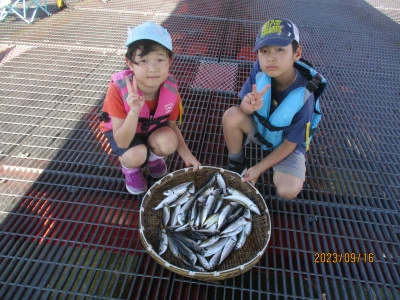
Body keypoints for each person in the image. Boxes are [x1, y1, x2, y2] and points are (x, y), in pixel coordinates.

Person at [223, 18, 326, 200]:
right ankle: (236, 163)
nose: (271, 57)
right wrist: (246, 107)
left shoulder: (304, 97)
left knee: (288, 190)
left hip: (286, 143)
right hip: (263, 130)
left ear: (297, 53)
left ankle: (266, 164)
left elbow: (290, 143)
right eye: (264, 51)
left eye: (280, 50)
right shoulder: (259, 70)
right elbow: (242, 109)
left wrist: (258, 169)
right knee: (231, 115)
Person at [99, 21, 200, 195]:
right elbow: (122, 142)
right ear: (130, 63)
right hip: (125, 133)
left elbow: (172, 126)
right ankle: (130, 169)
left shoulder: (171, 88)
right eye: (143, 61)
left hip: (152, 129)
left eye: (160, 59)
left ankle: (154, 159)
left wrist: (187, 155)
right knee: (136, 155)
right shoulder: (118, 89)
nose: (153, 68)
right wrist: (134, 112)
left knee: (169, 141)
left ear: (170, 61)